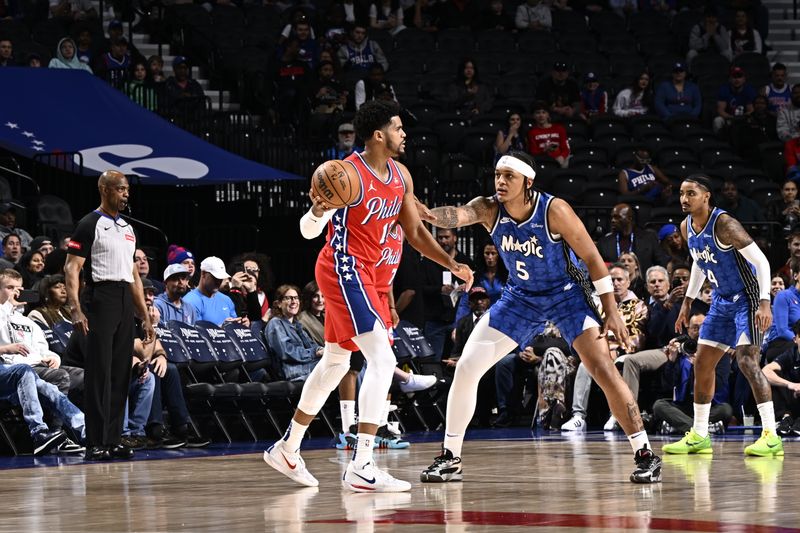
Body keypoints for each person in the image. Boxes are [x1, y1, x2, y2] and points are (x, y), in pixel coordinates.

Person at [263, 100, 473, 492]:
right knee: (383, 358)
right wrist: (316, 210)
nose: (404, 133)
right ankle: (362, 462)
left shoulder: (401, 176)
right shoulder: (344, 174)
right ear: (379, 135)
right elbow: (309, 232)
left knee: (335, 363)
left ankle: (287, 447)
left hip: (373, 279)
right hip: (344, 268)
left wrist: (451, 262)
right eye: (398, 127)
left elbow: (413, 232)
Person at [417, 151, 662, 484]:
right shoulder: (490, 208)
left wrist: (612, 310)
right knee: (467, 366)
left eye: (509, 177)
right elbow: (457, 215)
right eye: (497, 175)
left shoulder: (554, 210)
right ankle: (450, 457)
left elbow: (592, 257)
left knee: (602, 368)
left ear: (527, 182)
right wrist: (427, 213)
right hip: (520, 298)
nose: (500, 182)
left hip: (567, 297)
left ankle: (645, 453)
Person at [663, 174, 782, 457]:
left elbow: (762, 263)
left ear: (706, 196)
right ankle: (700, 434)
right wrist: (688, 301)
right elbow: (700, 262)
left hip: (748, 298)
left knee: (746, 360)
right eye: (681, 193)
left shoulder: (725, 224)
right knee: (702, 363)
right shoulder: (686, 226)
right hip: (720, 300)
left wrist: (764, 302)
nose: (684, 198)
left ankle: (771, 435)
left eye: (691, 193)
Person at [64, 170, 154, 461]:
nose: (126, 194)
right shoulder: (89, 223)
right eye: (121, 189)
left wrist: (144, 316)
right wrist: (76, 308)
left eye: (127, 189)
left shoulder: (128, 228)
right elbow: (71, 268)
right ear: (104, 189)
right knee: (100, 373)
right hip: (99, 299)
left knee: (119, 373)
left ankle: (114, 439)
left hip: (124, 300)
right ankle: (95, 442)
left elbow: (133, 276)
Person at [654, 313, 733, 435]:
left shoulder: (719, 353)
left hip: (708, 405)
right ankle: (702, 429)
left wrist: (701, 367)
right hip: (682, 406)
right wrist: (671, 360)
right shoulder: (680, 352)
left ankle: (680, 426)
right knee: (659, 406)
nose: (699, 332)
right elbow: (667, 385)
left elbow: (720, 384)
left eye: (703, 327)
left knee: (726, 410)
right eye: (695, 328)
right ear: (688, 330)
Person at [597, 203, 669, 274]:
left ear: (629, 218)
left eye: (617, 217)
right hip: (615, 283)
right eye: (612, 217)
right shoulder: (604, 243)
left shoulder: (649, 239)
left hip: (642, 284)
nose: (613, 220)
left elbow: (662, 263)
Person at [182, 257, 246, 327]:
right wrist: (221, 328)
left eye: (221, 278)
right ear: (203, 273)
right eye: (215, 277)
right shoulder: (190, 301)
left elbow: (235, 326)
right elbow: (194, 334)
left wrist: (241, 324)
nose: (218, 281)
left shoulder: (227, 300)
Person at [763, 320, 800, 437]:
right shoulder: (791, 353)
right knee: (772, 376)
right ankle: (785, 418)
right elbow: (765, 371)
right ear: (795, 339)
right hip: (794, 398)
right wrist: (790, 385)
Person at [764, 258, 800, 362]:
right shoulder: (783, 296)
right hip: (780, 344)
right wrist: (798, 341)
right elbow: (782, 331)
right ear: (795, 276)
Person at [713, 67, 756, 135]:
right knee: (717, 121)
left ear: (744, 79)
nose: (737, 79)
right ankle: (719, 142)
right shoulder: (724, 89)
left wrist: (741, 118)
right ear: (730, 79)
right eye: (734, 77)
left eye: (739, 77)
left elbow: (751, 110)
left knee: (753, 120)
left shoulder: (749, 90)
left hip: (744, 119)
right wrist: (732, 118)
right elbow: (720, 111)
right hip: (728, 118)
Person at [527, 101, 570, 168]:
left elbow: (566, 149)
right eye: (538, 113)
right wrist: (544, 150)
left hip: (560, 159)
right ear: (533, 116)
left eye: (544, 112)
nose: (541, 115)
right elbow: (533, 152)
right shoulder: (532, 132)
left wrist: (562, 157)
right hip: (543, 161)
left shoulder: (559, 128)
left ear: (548, 115)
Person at [296, 280, 324, 345]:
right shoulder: (301, 319)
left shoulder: (328, 316)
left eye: (323, 296)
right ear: (308, 298)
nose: (320, 300)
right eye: (316, 296)